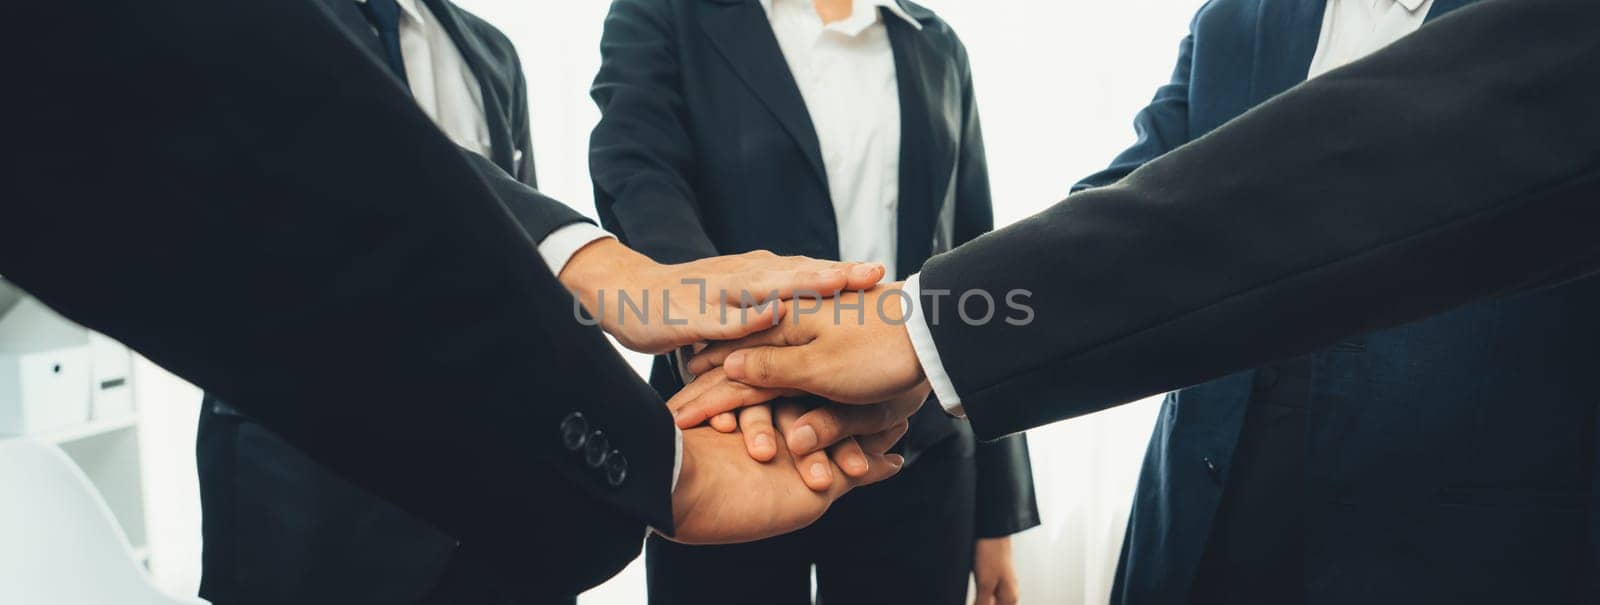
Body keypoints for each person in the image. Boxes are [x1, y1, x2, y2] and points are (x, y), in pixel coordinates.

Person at [669, 0, 1600, 602]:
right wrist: (921, 337)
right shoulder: (1238, 19)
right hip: (1193, 542)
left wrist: (918, 327)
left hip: (1464, 552)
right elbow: (1122, 209)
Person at [2, 0, 906, 599]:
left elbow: (508, 297)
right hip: (313, 501)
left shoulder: (490, 51)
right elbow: (326, 152)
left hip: (512, 490)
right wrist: (614, 276)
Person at [1073, 0, 1599, 602]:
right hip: (1201, 530)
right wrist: (964, 313)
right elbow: (1116, 207)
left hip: (1453, 547)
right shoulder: (1229, 18)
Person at [588, 1, 1037, 603]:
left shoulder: (936, 43)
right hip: (731, 442)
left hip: (915, 452)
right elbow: (640, 179)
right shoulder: (665, 13)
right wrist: (729, 345)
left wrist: (997, 515)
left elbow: (975, 260)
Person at [194, 0, 589, 602]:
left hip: (495, 498)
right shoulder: (261, 20)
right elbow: (355, 161)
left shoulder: (492, 51)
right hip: (308, 492)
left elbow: (521, 275)